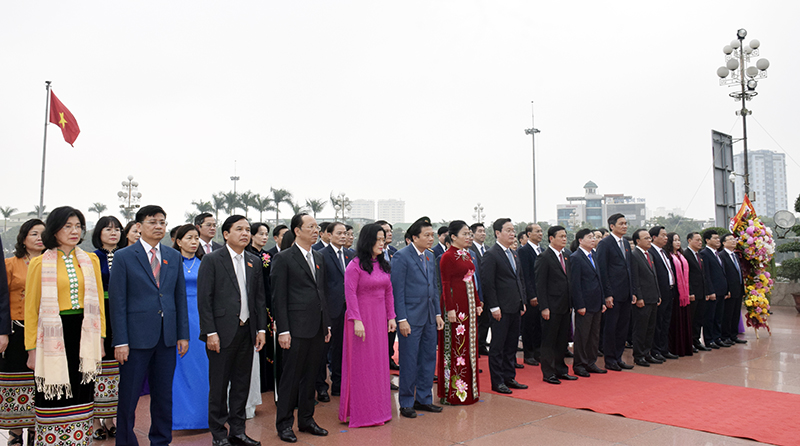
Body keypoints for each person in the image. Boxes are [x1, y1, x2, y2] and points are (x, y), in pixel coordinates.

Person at [109, 205, 189, 446]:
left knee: (164, 396)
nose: (159, 226)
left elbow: (179, 297)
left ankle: (161, 440)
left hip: (166, 338)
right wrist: (121, 340)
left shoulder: (173, 256)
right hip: (135, 339)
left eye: (162, 222)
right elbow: (117, 301)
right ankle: (125, 441)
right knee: (129, 396)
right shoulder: (124, 256)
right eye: (153, 222)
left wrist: (182, 334)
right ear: (139, 226)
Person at [24, 206, 105, 445]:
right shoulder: (40, 264)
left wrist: (100, 339)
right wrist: (31, 349)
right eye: (67, 226)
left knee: (82, 388)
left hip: (85, 334)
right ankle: (52, 440)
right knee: (53, 392)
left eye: (78, 226)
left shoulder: (90, 260)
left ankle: (78, 440)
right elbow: (31, 309)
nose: (74, 231)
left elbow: (98, 302)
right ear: (54, 230)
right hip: (53, 336)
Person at [197, 215, 268, 446]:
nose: (245, 233)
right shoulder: (212, 260)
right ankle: (218, 435)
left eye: (248, 229)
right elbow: (204, 299)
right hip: (221, 333)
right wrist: (210, 332)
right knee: (218, 388)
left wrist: (261, 329)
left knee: (241, 386)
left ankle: (238, 431)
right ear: (226, 234)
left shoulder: (253, 261)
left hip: (247, 333)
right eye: (239, 229)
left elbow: (258, 298)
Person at [271, 213, 330, 443]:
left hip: (316, 327)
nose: (316, 230)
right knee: (291, 378)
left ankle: (307, 420)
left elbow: (321, 293)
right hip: (295, 329)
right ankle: (284, 424)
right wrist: (283, 330)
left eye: (317, 227)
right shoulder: (284, 258)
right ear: (297, 230)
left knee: (310, 376)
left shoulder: (318, 257)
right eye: (311, 227)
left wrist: (326, 324)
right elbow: (279, 297)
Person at [338, 223, 396, 426]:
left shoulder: (384, 265)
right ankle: (362, 412)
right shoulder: (355, 265)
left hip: (379, 319)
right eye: (379, 240)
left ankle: (379, 409)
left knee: (379, 366)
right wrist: (356, 320)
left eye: (383, 239)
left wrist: (391, 317)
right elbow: (350, 293)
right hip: (360, 321)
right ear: (368, 241)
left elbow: (389, 291)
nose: (382, 243)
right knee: (362, 367)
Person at [391, 216, 443, 418]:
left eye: (432, 235)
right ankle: (406, 402)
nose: (431, 238)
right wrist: (401, 319)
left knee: (429, 358)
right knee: (410, 360)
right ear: (414, 237)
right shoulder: (402, 257)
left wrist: (438, 313)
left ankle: (423, 399)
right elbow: (398, 291)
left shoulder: (430, 256)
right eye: (427, 235)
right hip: (410, 318)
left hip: (429, 316)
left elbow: (434, 287)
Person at [2, 220, 43, 445]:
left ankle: (37, 428)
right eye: (33, 233)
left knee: (40, 383)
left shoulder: (52, 263)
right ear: (23, 238)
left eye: (43, 234)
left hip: (46, 332)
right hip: (16, 331)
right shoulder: (10, 264)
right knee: (15, 381)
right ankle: (15, 430)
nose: (39, 238)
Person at [437, 220, 482, 404]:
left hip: (469, 306)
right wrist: (449, 309)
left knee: (469, 347)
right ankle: (453, 392)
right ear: (453, 236)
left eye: (469, 234)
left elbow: (471, 280)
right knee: (455, 348)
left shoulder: (467, 255)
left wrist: (478, 302)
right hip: (456, 308)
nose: (468, 237)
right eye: (465, 234)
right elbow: (445, 284)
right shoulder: (447, 256)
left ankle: (470, 391)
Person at [171, 224, 209, 430]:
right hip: (179, 317)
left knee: (203, 368)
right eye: (189, 238)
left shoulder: (205, 263)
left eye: (196, 238)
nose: (194, 242)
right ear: (178, 242)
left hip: (202, 318)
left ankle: (204, 417)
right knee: (180, 369)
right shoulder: (170, 263)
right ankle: (181, 419)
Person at [482, 218, 527, 394]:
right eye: (508, 230)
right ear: (497, 233)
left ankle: (510, 377)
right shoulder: (491, 254)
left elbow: (520, 279)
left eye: (513, 230)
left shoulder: (514, 253)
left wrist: (522, 301)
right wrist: (494, 307)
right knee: (497, 347)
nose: (512, 233)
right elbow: (488, 283)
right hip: (500, 308)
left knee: (511, 345)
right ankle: (498, 381)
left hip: (515, 306)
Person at [91, 215, 125, 439]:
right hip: (98, 314)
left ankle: (111, 418)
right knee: (97, 366)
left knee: (116, 368)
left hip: (121, 314)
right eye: (108, 229)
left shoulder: (126, 256)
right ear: (99, 233)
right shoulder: (91, 257)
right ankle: (95, 421)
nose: (114, 233)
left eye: (117, 229)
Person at [596, 213, 639, 372]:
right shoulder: (605, 244)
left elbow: (629, 268)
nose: (625, 226)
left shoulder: (626, 243)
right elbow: (602, 270)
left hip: (626, 293)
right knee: (611, 327)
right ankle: (610, 359)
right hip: (613, 293)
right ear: (612, 226)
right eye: (621, 223)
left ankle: (619, 357)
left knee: (622, 327)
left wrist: (633, 290)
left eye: (626, 223)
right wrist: (607, 294)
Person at [317, 222, 352, 401]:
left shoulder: (351, 255)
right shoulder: (321, 255)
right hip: (330, 309)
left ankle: (338, 384)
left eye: (345, 233)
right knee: (323, 349)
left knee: (341, 348)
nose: (343, 236)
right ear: (329, 235)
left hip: (348, 309)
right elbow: (321, 286)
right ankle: (321, 386)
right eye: (339, 233)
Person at [535, 226, 575, 384]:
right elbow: (540, 284)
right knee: (549, 341)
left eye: (565, 236)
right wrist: (544, 307)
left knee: (562, 341)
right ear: (551, 238)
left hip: (565, 306)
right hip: (551, 307)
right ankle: (548, 372)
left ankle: (561, 370)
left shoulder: (566, 256)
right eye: (561, 236)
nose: (564, 239)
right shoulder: (544, 257)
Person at [569, 229, 607, 378]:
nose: (593, 240)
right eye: (589, 237)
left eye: (593, 237)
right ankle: (579, 365)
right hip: (584, 303)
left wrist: (603, 300)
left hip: (597, 302)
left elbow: (599, 280)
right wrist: (579, 305)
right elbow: (575, 284)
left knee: (594, 335)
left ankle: (591, 362)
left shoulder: (594, 255)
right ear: (580, 240)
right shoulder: (576, 257)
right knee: (582, 336)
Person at [247, 222, 276, 397]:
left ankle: (268, 380)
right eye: (261, 234)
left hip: (268, 301)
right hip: (255, 302)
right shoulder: (248, 255)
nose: (264, 237)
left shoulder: (268, 255)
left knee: (269, 340)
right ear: (252, 235)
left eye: (266, 234)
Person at [629, 229, 662, 367]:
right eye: (646, 238)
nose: (650, 240)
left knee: (650, 328)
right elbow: (635, 278)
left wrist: (658, 294)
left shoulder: (650, 255)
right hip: (643, 299)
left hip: (653, 296)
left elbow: (654, 277)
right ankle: (639, 355)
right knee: (640, 328)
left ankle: (647, 353)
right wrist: (639, 297)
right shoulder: (634, 255)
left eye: (650, 238)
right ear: (638, 241)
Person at [648, 226, 678, 361]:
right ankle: (655, 350)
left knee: (666, 322)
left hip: (669, 291)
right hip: (659, 292)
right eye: (663, 235)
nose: (666, 238)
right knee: (658, 323)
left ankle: (664, 349)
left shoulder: (664, 252)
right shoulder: (650, 252)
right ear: (654, 237)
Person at [375, 220, 399, 372]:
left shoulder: (394, 252)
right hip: (376, 302)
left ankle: (389, 357)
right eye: (384, 231)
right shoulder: (372, 256)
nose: (388, 234)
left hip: (392, 299)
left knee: (391, 333)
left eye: (390, 231)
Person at [698, 230, 728, 349]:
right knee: (710, 316)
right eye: (715, 238)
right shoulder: (705, 254)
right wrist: (710, 291)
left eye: (718, 238)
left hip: (721, 290)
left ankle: (717, 337)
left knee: (718, 316)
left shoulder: (718, 254)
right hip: (713, 291)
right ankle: (709, 339)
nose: (718, 240)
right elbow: (707, 274)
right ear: (707, 240)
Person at [518, 223, 543, 366]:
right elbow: (526, 275)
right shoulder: (524, 251)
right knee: (529, 325)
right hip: (531, 295)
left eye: (541, 231)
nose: (540, 234)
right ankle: (529, 354)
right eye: (537, 231)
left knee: (540, 325)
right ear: (528, 234)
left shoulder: (543, 250)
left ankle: (538, 352)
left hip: (543, 295)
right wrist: (531, 295)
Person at [666, 232, 694, 357]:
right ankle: (675, 348)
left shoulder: (681, 255)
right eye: (674, 240)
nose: (677, 242)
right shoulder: (668, 256)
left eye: (678, 239)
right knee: (675, 321)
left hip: (684, 293)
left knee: (685, 320)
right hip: (675, 293)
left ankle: (686, 346)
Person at [719, 234, 748, 345]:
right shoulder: (722, 256)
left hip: (738, 289)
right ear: (723, 243)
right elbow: (724, 275)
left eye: (734, 239)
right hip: (729, 290)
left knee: (736, 313)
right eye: (730, 240)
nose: (733, 241)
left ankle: (733, 335)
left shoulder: (735, 256)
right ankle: (725, 336)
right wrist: (727, 289)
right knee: (727, 314)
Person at [684, 232, 709, 352]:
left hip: (702, 292)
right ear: (689, 240)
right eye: (697, 240)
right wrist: (690, 291)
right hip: (692, 292)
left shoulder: (699, 255)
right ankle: (690, 341)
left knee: (699, 318)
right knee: (691, 318)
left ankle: (696, 339)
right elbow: (686, 276)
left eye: (701, 240)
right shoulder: (685, 254)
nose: (700, 242)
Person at [469, 223, 490, 355]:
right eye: (480, 231)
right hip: (476, 291)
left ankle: (482, 343)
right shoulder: (469, 250)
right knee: (476, 321)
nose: (483, 233)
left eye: (484, 231)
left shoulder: (488, 249)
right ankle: (475, 346)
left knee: (486, 320)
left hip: (488, 289)